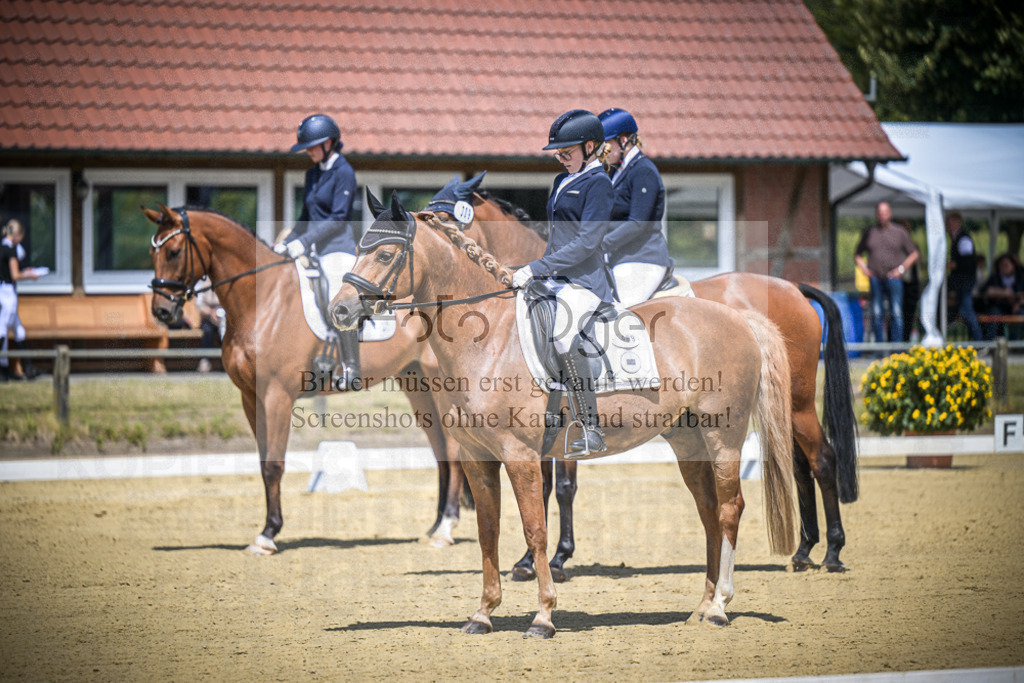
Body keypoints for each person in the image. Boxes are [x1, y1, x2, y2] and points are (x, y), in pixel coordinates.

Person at [512, 109, 614, 456]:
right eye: (558, 153)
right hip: (557, 277)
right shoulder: (562, 181)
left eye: (566, 152)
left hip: (584, 281)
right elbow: (558, 237)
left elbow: (587, 243)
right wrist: (530, 268)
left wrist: (540, 267)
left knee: (562, 335)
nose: (561, 158)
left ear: (590, 147)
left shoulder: (598, 184)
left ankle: (591, 429)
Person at [275, 114, 361, 390]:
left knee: (337, 295)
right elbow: (306, 216)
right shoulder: (311, 173)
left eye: (313, 145)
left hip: (339, 249)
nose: (309, 151)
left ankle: (351, 366)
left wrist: (305, 241)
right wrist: (288, 241)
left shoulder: (344, 172)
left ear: (330, 143)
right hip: (313, 249)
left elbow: (338, 218)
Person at [597, 108, 673, 307]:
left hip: (642, 260)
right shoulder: (617, 172)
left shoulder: (643, 171)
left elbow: (638, 223)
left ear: (623, 140)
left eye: (605, 146)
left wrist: (600, 244)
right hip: (618, 258)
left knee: (620, 313)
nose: (601, 153)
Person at [854, 202, 920, 345]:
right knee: (877, 313)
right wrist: (865, 270)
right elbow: (857, 255)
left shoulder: (899, 232)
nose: (882, 215)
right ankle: (878, 349)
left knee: (896, 313)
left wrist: (901, 269)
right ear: (877, 214)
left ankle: (897, 348)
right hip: (876, 278)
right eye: (880, 212)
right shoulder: (870, 232)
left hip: (894, 278)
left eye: (885, 212)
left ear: (890, 214)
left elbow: (914, 254)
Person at [1, 219, 41, 381]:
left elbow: (8, 271)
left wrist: (24, 270)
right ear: (16, 234)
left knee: (19, 330)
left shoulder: (2, 248)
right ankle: (3, 369)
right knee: (2, 330)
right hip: (8, 293)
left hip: (2, 289)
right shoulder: (11, 250)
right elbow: (15, 275)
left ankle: (27, 368)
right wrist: (30, 276)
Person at [945, 211, 983, 341]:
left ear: (957, 223)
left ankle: (979, 341)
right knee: (963, 308)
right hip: (961, 280)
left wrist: (952, 264)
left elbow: (967, 261)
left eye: (949, 223)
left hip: (965, 280)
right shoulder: (956, 237)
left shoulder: (963, 238)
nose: (947, 226)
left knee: (966, 309)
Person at [980, 252, 1024, 341]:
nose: (1004, 267)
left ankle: (1014, 344)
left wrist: (1018, 304)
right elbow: (985, 290)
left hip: (1016, 307)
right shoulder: (995, 277)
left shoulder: (1020, 278)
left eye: (1006, 265)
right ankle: (989, 344)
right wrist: (1003, 292)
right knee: (993, 314)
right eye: (1002, 265)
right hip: (998, 306)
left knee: (1020, 314)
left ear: (1013, 266)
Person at [194, 278, 223, 373]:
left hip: (224, 317)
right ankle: (205, 360)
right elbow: (199, 303)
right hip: (208, 318)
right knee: (207, 331)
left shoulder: (224, 281)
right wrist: (211, 312)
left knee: (227, 331)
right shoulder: (203, 284)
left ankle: (227, 359)